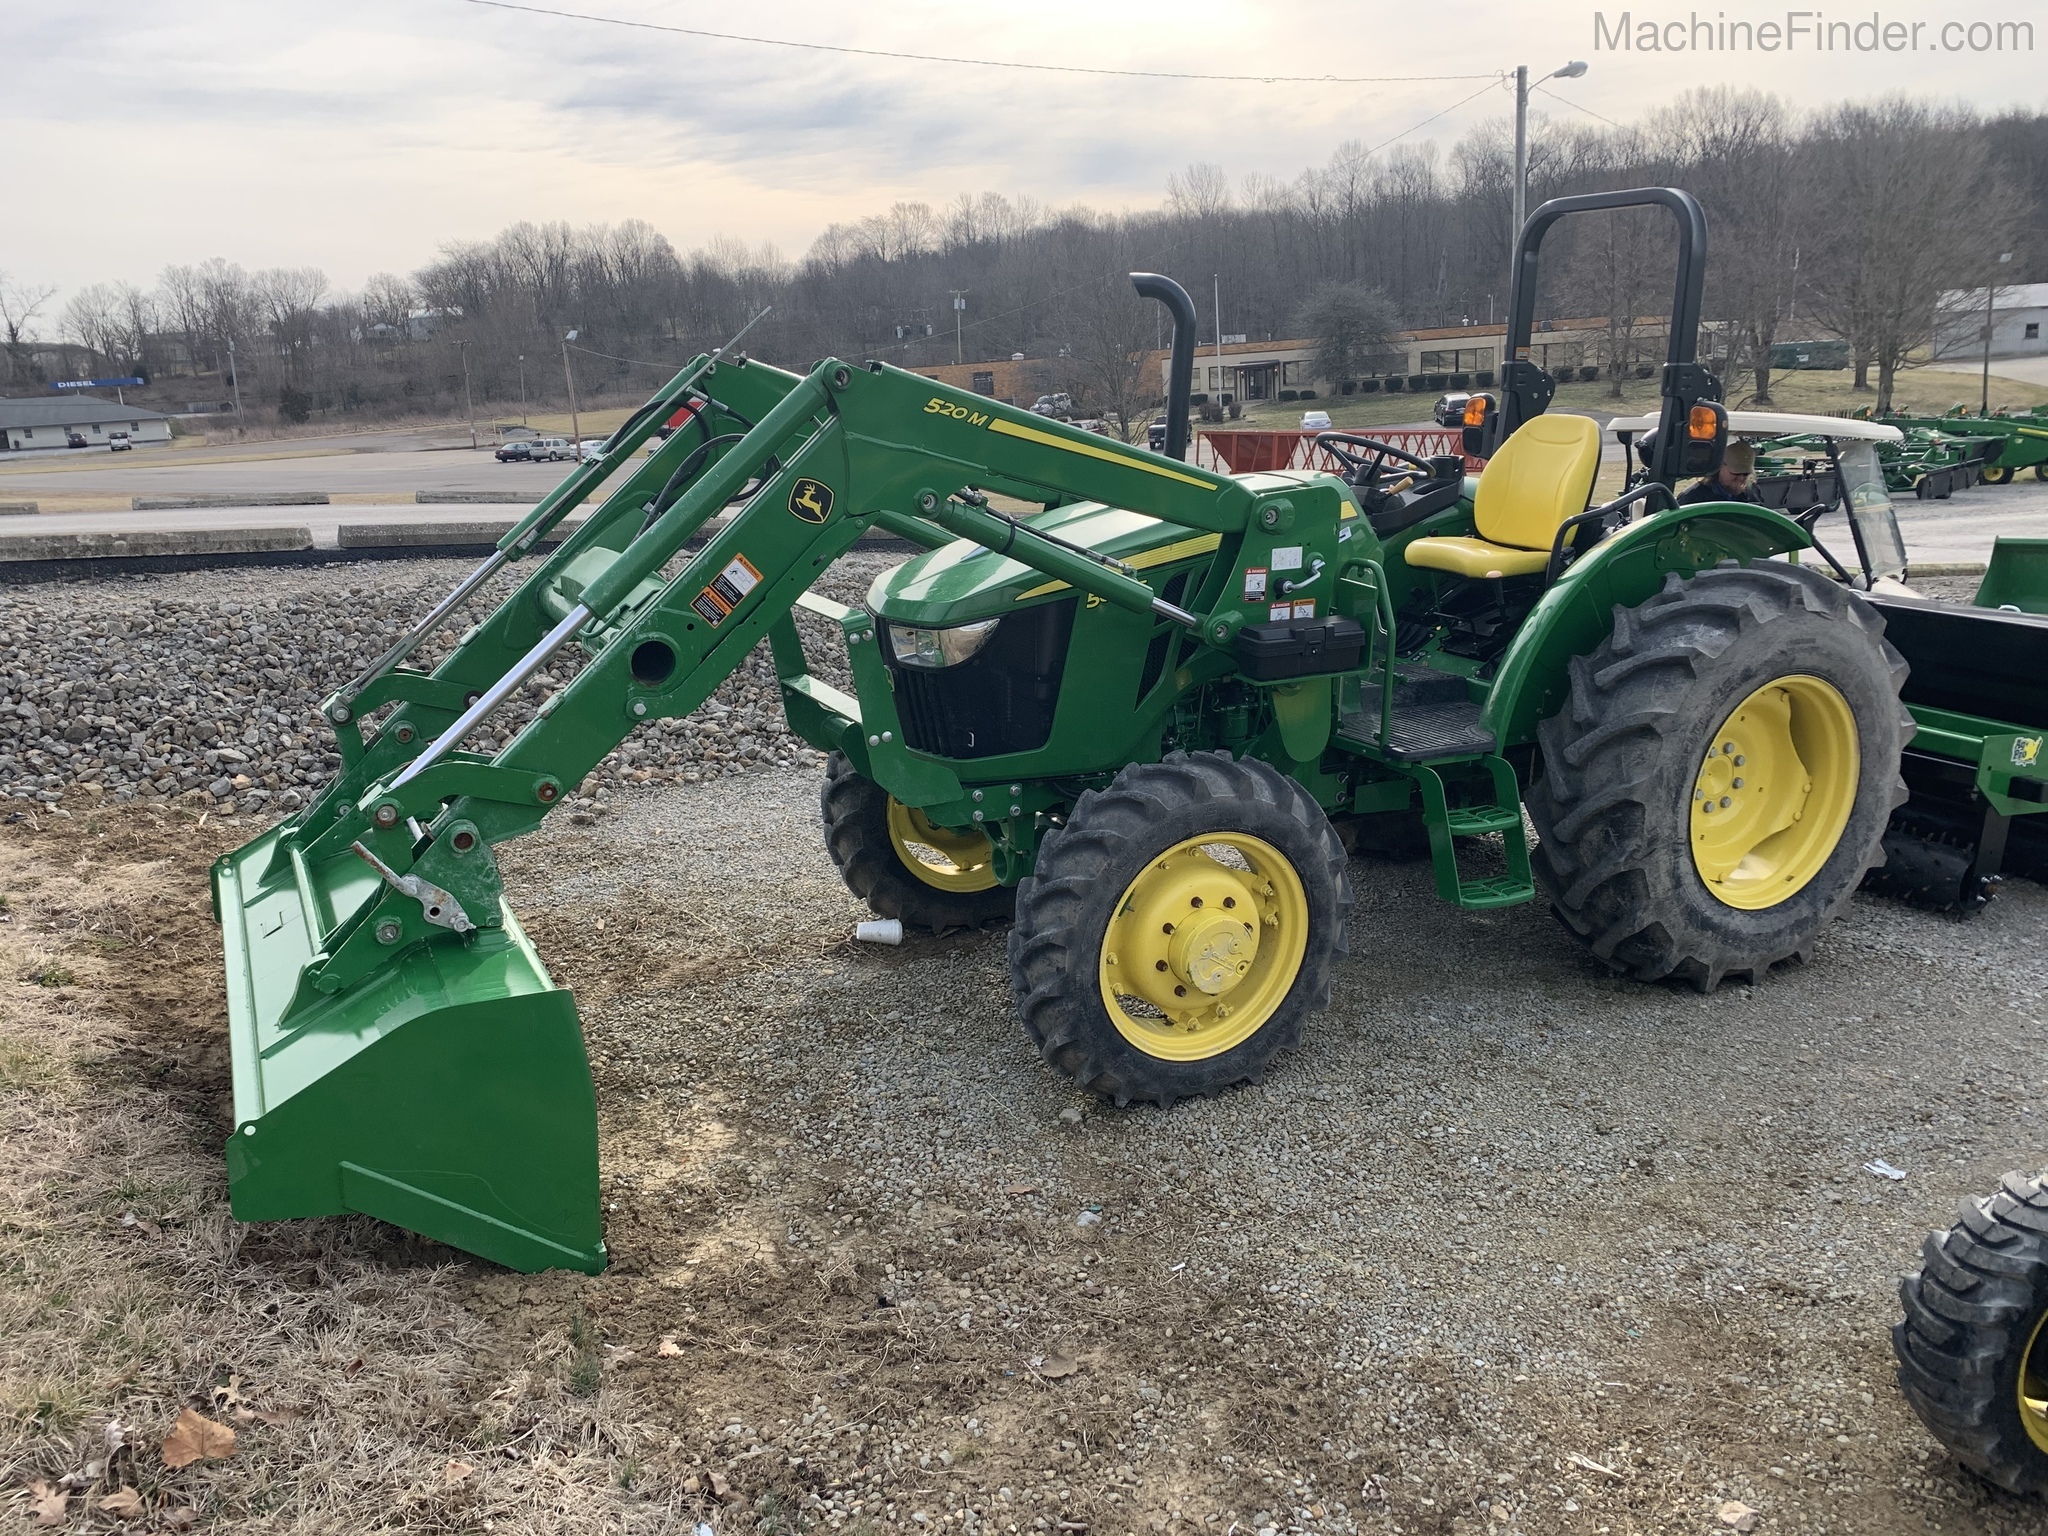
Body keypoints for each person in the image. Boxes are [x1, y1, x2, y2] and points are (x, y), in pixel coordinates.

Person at [1676, 440, 1763, 505]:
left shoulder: (1753, 493)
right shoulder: (1693, 498)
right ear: (1719, 467)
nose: (1741, 478)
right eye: (1735, 473)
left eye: (1745, 474)